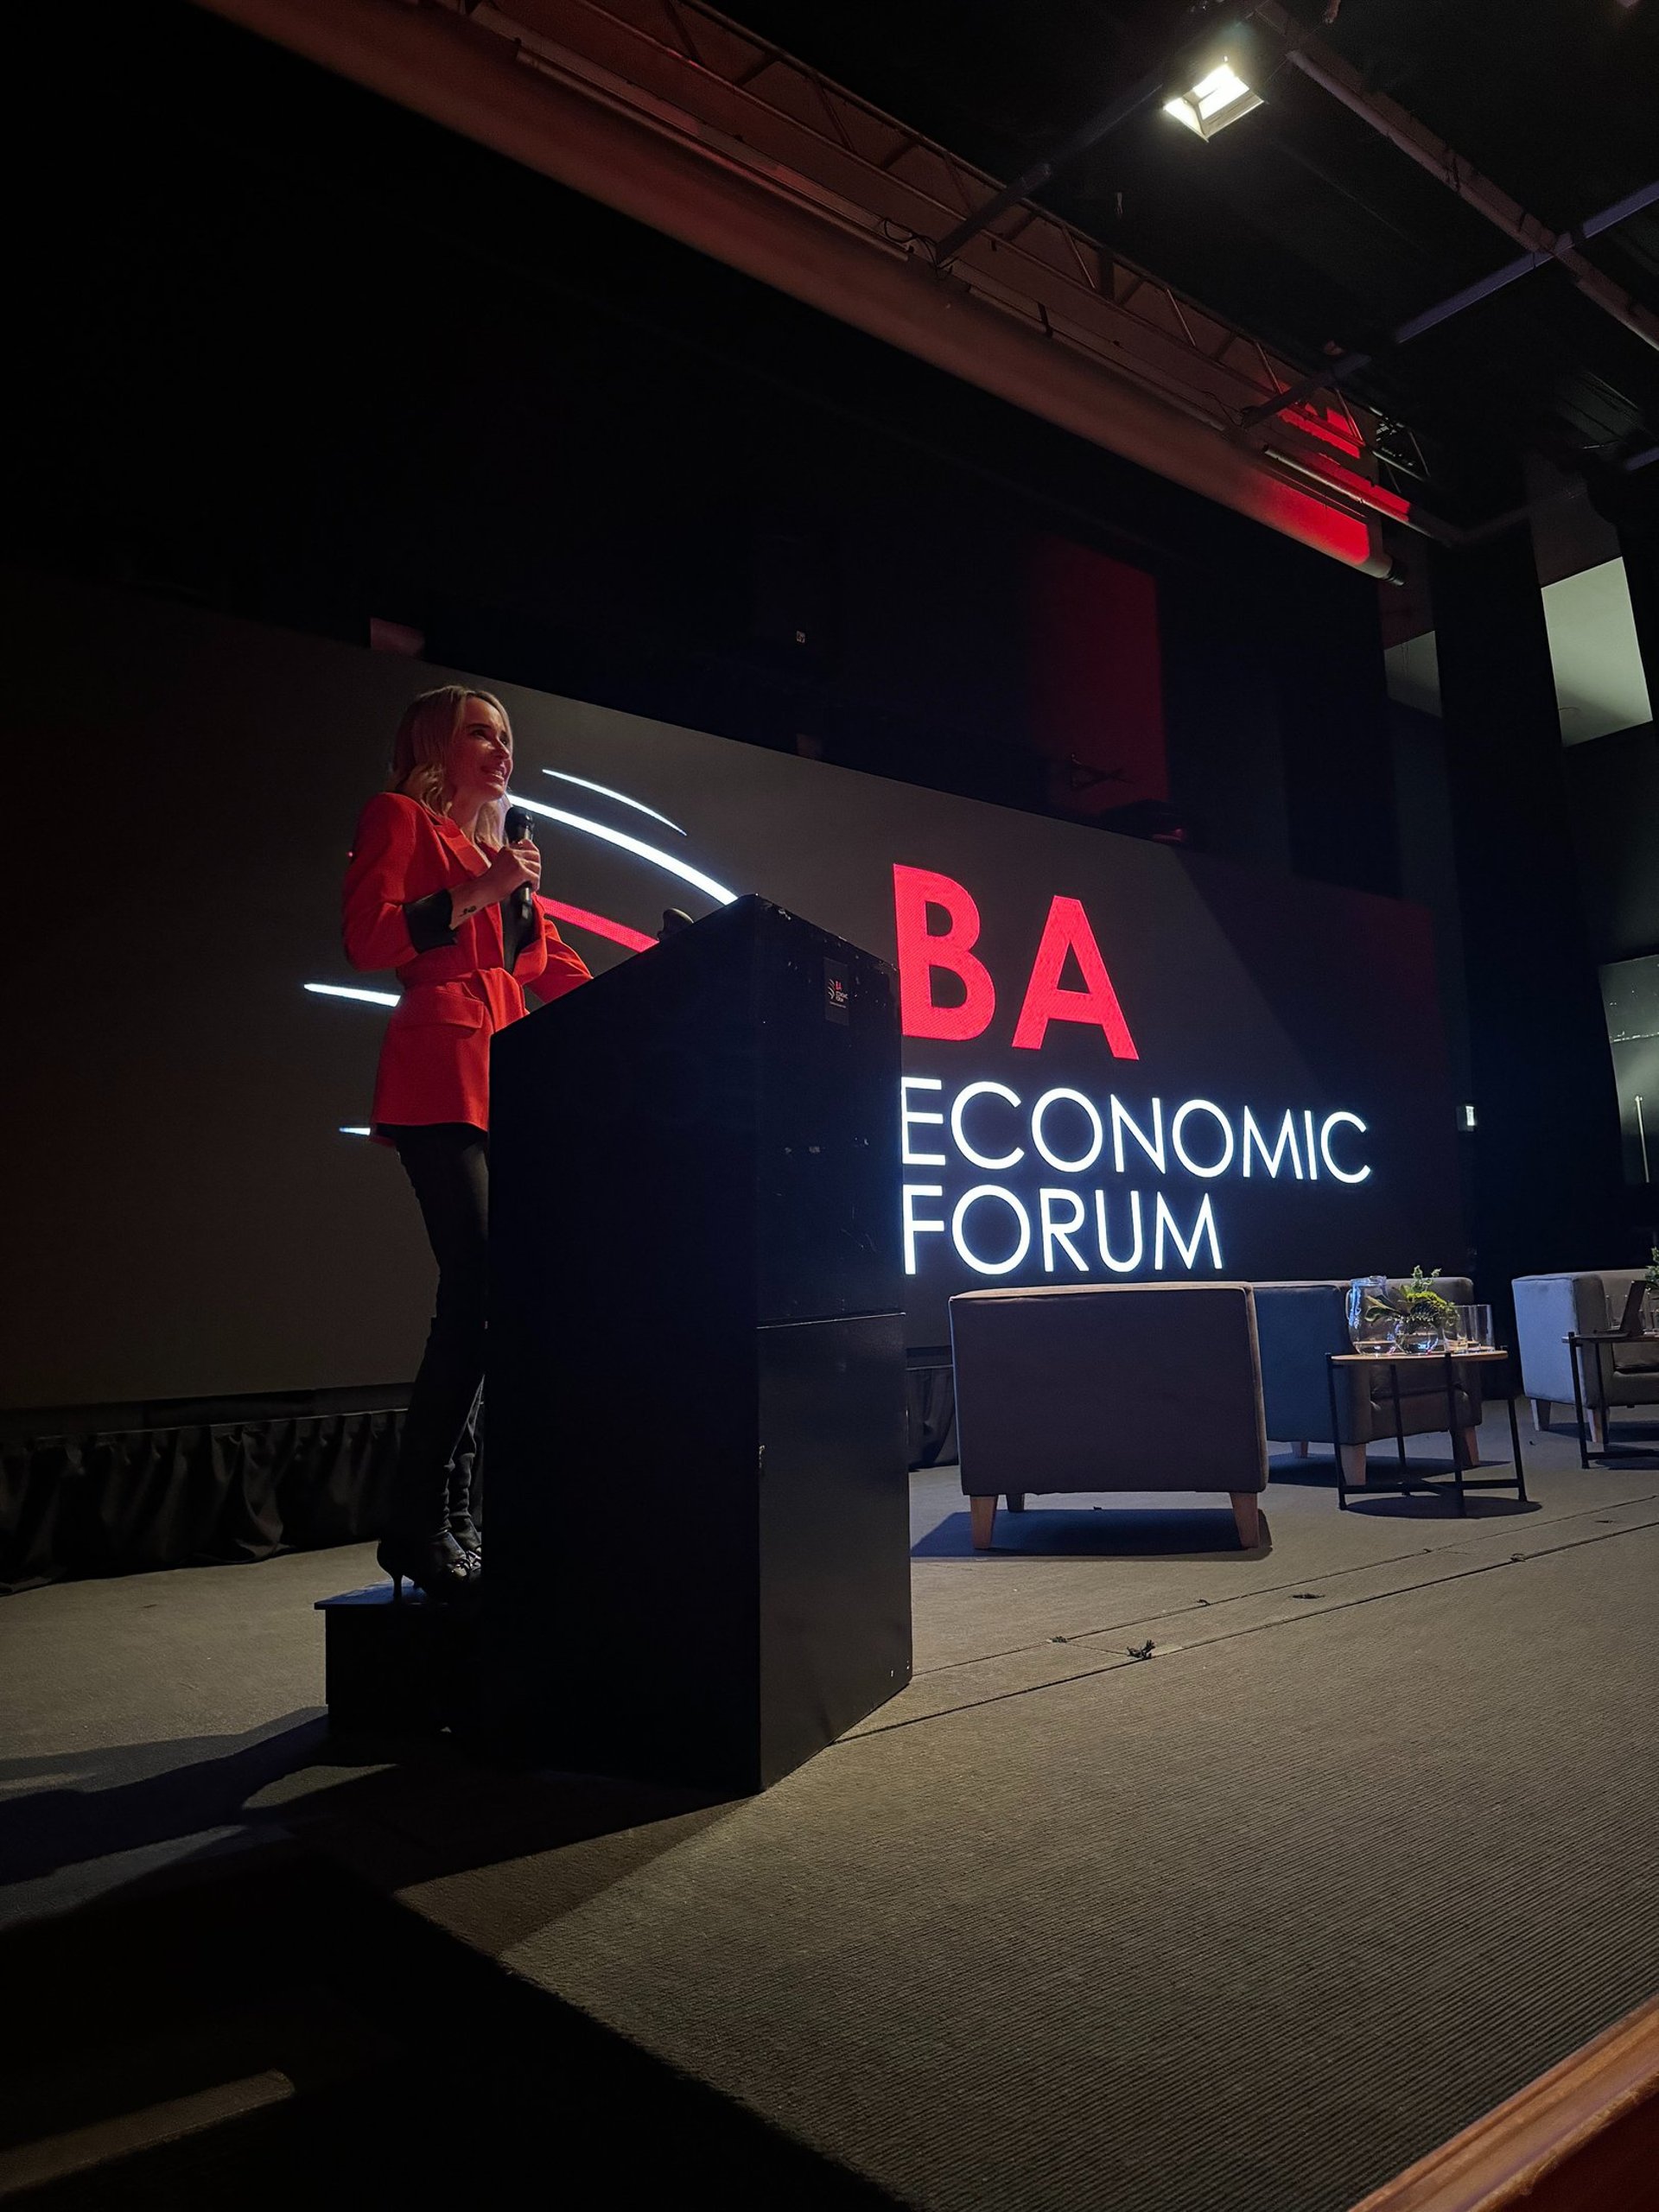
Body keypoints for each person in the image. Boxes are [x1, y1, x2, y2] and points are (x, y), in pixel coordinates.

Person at [342, 685, 591, 1599]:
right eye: (481, 732)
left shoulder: (504, 859)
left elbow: (556, 967)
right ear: (434, 746)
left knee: (490, 1304)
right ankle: (419, 1516)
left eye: (508, 736)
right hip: (436, 1071)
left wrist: (675, 981)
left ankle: (448, 1514)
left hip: (501, 1081)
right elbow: (367, 938)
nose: (501, 750)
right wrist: (477, 890)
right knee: (482, 1289)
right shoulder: (402, 817)